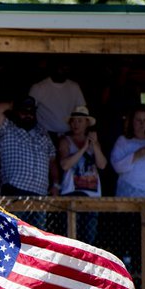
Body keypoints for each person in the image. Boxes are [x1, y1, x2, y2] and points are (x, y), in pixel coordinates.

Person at [0, 97, 57, 228]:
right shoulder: (7, 128)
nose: (28, 115)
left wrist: (56, 184)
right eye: (23, 111)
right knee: (15, 234)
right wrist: (12, 104)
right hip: (15, 192)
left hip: (40, 195)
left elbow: (52, 160)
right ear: (15, 112)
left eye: (31, 112)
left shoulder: (43, 133)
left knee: (39, 239)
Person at [57, 105, 107, 245]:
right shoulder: (65, 141)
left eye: (80, 121)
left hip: (92, 197)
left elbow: (102, 164)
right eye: (73, 121)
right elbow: (65, 165)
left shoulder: (93, 142)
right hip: (71, 193)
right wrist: (84, 148)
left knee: (89, 239)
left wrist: (94, 145)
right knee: (71, 238)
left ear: (87, 123)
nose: (76, 124)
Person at [28, 62, 87, 138]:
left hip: (69, 134)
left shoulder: (74, 86)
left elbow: (82, 111)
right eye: (62, 68)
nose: (64, 71)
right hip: (46, 135)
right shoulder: (39, 87)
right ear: (54, 67)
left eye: (67, 69)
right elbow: (29, 111)